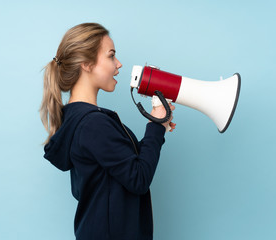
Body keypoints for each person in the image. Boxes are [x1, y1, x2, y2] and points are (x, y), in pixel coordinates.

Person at [40, 23, 176, 240]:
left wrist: (158, 129)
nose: (119, 64)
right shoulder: (93, 124)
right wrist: (156, 126)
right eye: (111, 56)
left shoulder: (80, 119)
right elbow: (138, 178)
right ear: (86, 63)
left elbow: (124, 168)